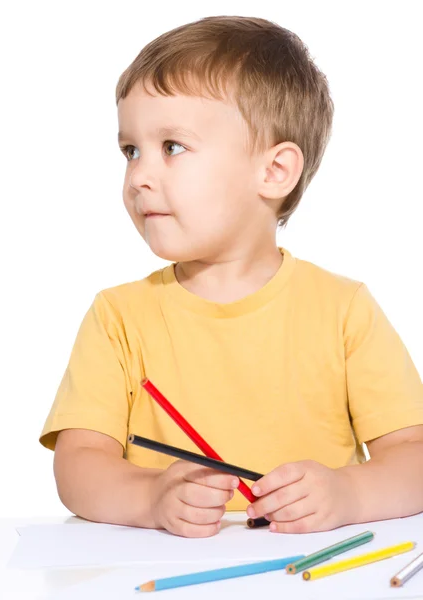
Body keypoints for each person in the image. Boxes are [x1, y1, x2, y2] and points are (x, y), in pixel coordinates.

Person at [39, 15, 423, 538]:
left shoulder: (343, 309)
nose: (139, 176)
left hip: (311, 574)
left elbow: (413, 458)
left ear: (274, 172)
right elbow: (78, 464)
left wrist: (349, 493)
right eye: (131, 150)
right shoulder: (117, 317)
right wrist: (150, 498)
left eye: (172, 146)